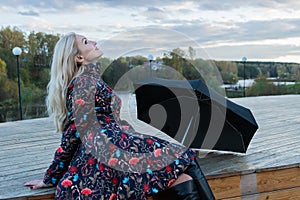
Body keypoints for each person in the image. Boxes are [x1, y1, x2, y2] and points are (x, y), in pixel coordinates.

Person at [24, 32, 214, 200]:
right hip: (108, 150)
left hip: (116, 144)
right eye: (86, 41)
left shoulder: (91, 80)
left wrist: (130, 135)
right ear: (79, 57)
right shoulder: (83, 82)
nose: (94, 42)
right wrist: (51, 177)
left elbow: (108, 119)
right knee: (182, 158)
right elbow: (74, 130)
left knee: (182, 174)